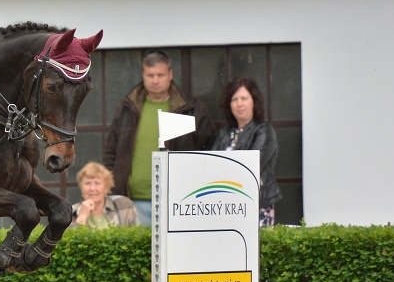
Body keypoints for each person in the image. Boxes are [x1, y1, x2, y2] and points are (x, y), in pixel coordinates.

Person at [103, 50, 216, 226]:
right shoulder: (128, 107)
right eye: (150, 75)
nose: (155, 80)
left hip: (178, 202)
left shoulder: (191, 109)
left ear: (170, 74)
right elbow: (111, 152)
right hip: (131, 202)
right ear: (143, 75)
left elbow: (208, 150)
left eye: (160, 75)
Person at [212, 76, 282, 226]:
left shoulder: (264, 131)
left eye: (244, 98)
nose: (239, 104)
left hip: (256, 204)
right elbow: (211, 163)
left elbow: (250, 166)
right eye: (234, 99)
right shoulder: (225, 132)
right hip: (226, 206)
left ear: (254, 102)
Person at [69, 161, 139, 229]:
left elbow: (136, 236)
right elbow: (69, 239)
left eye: (97, 183)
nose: (92, 188)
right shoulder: (71, 212)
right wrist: (82, 217)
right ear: (81, 187)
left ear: (106, 187)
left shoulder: (123, 205)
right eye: (87, 183)